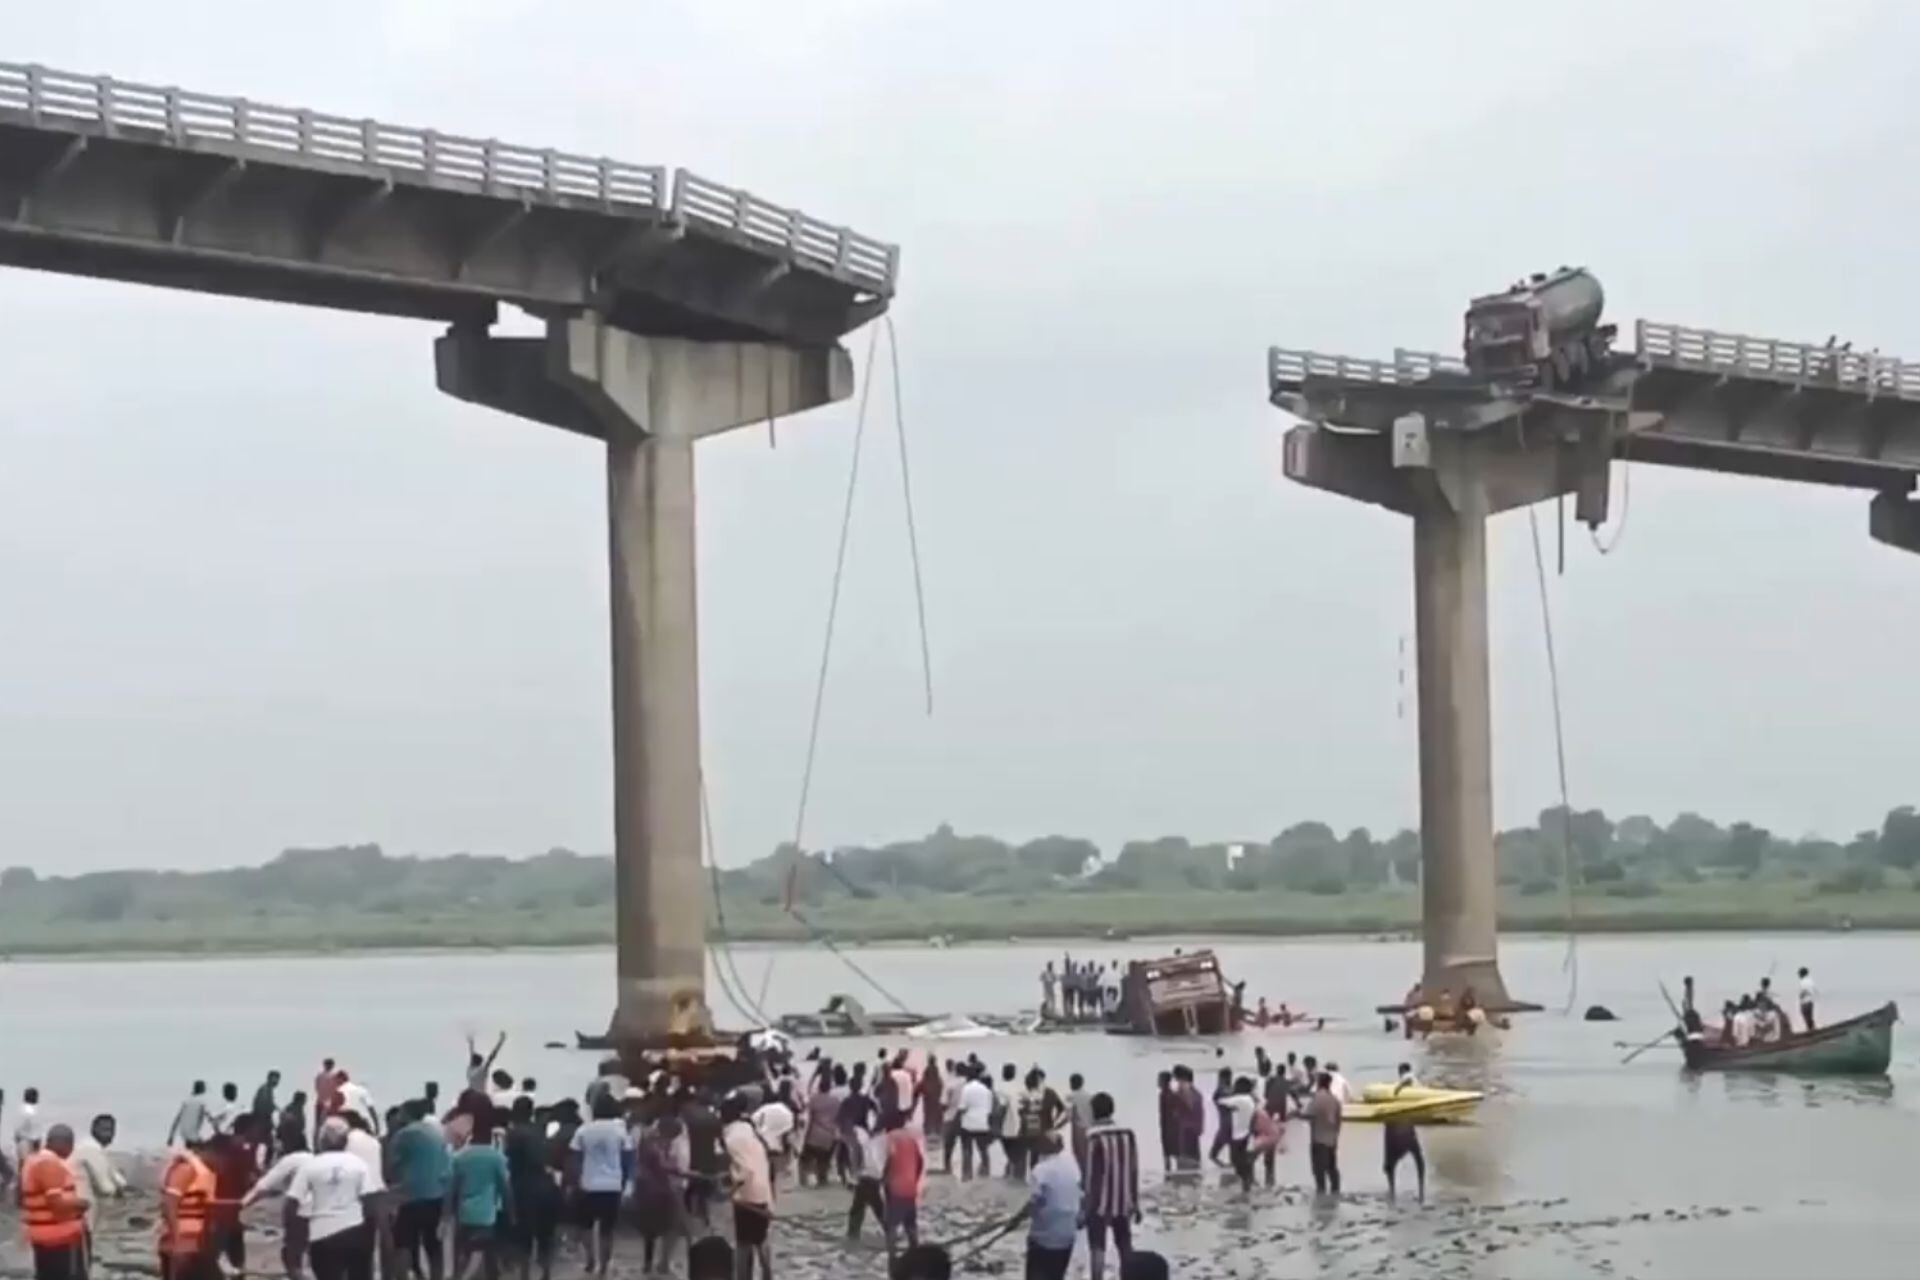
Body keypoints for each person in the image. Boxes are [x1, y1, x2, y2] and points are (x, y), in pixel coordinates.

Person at [568, 1094, 632, 1277]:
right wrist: (627, 1184)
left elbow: (575, 1159)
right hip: (612, 1185)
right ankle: (603, 1266)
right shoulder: (621, 1131)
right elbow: (628, 1160)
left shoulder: (583, 1130)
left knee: (585, 1226)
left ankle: (590, 1260)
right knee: (607, 1230)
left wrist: (575, 1182)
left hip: (587, 1184)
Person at [389, 1100, 451, 1280]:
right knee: (434, 1245)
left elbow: (393, 1165)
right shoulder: (437, 1133)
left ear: (407, 1114)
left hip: (410, 1196)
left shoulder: (403, 1135)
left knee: (403, 1243)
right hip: (436, 1194)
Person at [1081, 1093, 1139, 1280]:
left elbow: (1090, 1174)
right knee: (1124, 1243)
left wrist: (1085, 1205)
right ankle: (1130, 1276)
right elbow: (1133, 1169)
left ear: (1093, 1112)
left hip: (1099, 1202)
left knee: (1097, 1246)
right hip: (1123, 1199)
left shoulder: (1094, 1136)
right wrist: (1135, 1201)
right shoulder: (1128, 1134)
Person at [450, 1113, 513, 1280]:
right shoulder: (497, 1157)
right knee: (479, 1248)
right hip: (485, 1213)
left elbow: (452, 1188)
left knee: (466, 1250)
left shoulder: (460, 1157)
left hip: (463, 1211)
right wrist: (511, 1211)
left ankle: (460, 1274)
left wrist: (446, 1213)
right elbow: (505, 1187)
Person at [20, 1124, 87, 1280]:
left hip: (43, 1236)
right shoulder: (49, 1164)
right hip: (59, 1239)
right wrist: (82, 1204)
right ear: (63, 1143)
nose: (71, 1150)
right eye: (70, 1144)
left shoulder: (33, 1161)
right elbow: (57, 1204)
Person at [502, 1098, 559, 1280]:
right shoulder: (539, 1131)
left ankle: (524, 1274)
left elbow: (509, 1162)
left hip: (524, 1187)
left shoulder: (513, 1134)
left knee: (523, 1235)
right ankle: (546, 1272)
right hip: (546, 1184)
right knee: (545, 1234)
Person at [242, 1141, 316, 1280]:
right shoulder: (316, 1158)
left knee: (294, 1251)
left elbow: (264, 1186)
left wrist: (242, 1203)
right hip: (323, 1211)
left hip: (300, 1209)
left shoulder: (292, 1160)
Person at [722, 1098, 773, 1280]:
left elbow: (744, 1171)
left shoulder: (731, 1139)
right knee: (761, 1239)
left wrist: (729, 1191)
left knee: (743, 1243)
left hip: (746, 1196)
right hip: (763, 1191)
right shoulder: (750, 1131)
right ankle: (767, 1274)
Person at [633, 1114, 690, 1278]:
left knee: (651, 1230)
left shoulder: (648, 1140)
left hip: (650, 1188)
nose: (671, 1140)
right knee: (669, 1224)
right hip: (657, 1189)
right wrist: (684, 1172)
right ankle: (659, 1264)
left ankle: (650, 1264)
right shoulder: (654, 1144)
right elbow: (664, 1166)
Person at [1019, 1133, 1080, 1280]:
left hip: (1043, 1238)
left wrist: (1017, 1219)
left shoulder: (1040, 1170)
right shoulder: (1072, 1166)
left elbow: (1033, 1203)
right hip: (1067, 1236)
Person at [159, 1136, 220, 1280]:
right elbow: (169, 1204)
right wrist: (177, 1241)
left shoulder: (208, 1172)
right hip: (182, 1244)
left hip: (199, 1245)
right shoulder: (186, 1169)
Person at [204, 1120, 259, 1275]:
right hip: (227, 1209)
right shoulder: (241, 1152)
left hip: (222, 1208)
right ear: (247, 1130)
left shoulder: (225, 1149)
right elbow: (250, 1179)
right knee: (228, 1254)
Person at [882, 1106, 925, 1257]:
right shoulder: (911, 1139)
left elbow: (886, 1161)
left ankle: (892, 1256)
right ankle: (915, 1253)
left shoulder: (889, 1138)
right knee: (911, 1225)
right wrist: (914, 1179)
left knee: (892, 1225)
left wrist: (884, 1179)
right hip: (910, 1188)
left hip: (895, 1188)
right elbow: (920, 1162)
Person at [69, 1113, 128, 1221]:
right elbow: (106, 1188)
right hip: (83, 1207)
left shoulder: (90, 1147)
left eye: (111, 1130)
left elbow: (116, 1178)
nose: (109, 1134)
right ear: (93, 1130)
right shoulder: (91, 1150)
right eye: (104, 1130)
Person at [847, 1094, 888, 1241]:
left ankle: (853, 1238)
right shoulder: (881, 1130)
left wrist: (853, 1176)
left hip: (867, 1175)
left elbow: (857, 1153)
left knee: (865, 1209)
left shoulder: (859, 1131)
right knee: (865, 1207)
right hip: (876, 1174)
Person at [1383, 1063, 1425, 1202]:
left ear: (1401, 1071)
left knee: (1391, 1161)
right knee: (1419, 1160)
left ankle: (1392, 1190)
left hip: (1399, 1128)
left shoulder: (1408, 1079)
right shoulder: (1415, 1085)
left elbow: (1408, 1079)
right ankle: (1421, 1190)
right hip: (1408, 1128)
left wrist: (1397, 1088)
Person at [1306, 1072, 1342, 1196]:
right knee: (1332, 1170)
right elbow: (1339, 1121)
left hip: (1318, 1140)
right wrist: (1336, 1137)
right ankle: (1335, 1196)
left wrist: (1294, 1114)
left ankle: (1321, 1198)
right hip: (1332, 1140)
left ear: (1319, 1083)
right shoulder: (1335, 1100)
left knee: (1319, 1172)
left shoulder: (1316, 1098)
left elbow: (1308, 1114)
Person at [957, 1066, 995, 1180]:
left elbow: (962, 1107)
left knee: (967, 1150)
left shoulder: (966, 1089)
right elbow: (989, 1111)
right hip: (982, 1124)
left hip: (968, 1124)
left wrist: (958, 1119)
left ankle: (967, 1175)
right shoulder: (987, 1090)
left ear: (968, 1077)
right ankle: (985, 1172)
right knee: (983, 1150)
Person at [1222, 1077, 1258, 1193]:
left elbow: (1220, 1101)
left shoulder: (1242, 1100)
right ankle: (1248, 1190)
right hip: (1249, 1138)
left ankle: (1246, 1192)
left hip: (1240, 1139)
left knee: (1240, 1167)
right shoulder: (1250, 1100)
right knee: (1247, 1169)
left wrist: (1229, 1092)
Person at [996, 1064, 1025, 1179]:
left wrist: (996, 1126)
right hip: (1019, 1127)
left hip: (1006, 1128)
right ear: (1014, 1074)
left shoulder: (1001, 1089)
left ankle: (1010, 1175)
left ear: (1003, 1073)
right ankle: (1014, 1177)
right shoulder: (1020, 1088)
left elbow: (1001, 1108)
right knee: (1016, 1156)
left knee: (1011, 1155)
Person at [1206, 1068, 1234, 1168]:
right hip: (1234, 1126)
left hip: (1225, 1127)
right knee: (1234, 1156)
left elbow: (1216, 1097)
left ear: (1222, 1078)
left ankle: (1226, 1168)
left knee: (1212, 1155)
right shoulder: (1233, 1090)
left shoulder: (1220, 1091)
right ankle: (1229, 1169)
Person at [252, 1071, 283, 1161]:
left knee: (268, 1144)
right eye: (275, 1079)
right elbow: (264, 1105)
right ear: (269, 1078)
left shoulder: (267, 1090)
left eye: (277, 1079)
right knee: (270, 1144)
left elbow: (269, 1104)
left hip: (262, 1120)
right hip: (261, 1121)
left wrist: (277, 1109)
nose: (276, 1082)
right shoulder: (265, 1090)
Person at [1066, 1074, 1093, 1172]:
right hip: (1090, 1129)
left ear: (1071, 1083)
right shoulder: (1090, 1096)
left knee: (1078, 1154)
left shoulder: (1070, 1097)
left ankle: (1083, 1176)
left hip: (1078, 1128)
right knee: (1088, 1155)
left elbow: (1068, 1116)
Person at [1799, 967, 1817, 1032]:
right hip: (1810, 1001)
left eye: (1799, 974)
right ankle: (1813, 1029)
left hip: (1805, 1002)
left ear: (1802, 974)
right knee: (1810, 1016)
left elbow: (1804, 991)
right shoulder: (1811, 981)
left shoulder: (1803, 981)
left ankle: (1810, 1030)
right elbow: (1813, 991)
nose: (1799, 975)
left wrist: (1801, 996)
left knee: (1806, 1016)